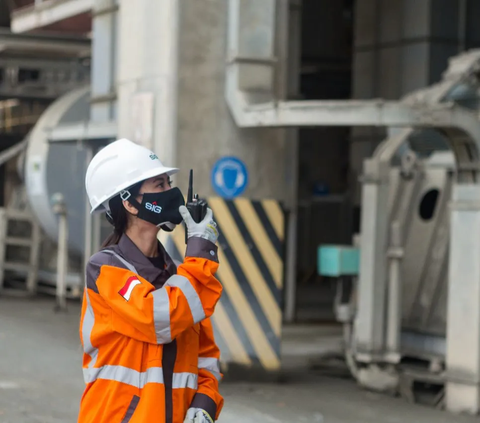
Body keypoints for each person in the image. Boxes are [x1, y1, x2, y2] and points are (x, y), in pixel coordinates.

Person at [78, 138, 224, 423]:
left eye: (168, 183)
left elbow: (205, 356)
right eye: (160, 185)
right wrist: (200, 252)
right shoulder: (105, 269)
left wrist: (206, 401)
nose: (172, 192)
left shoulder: (179, 277)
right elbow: (160, 319)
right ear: (130, 203)